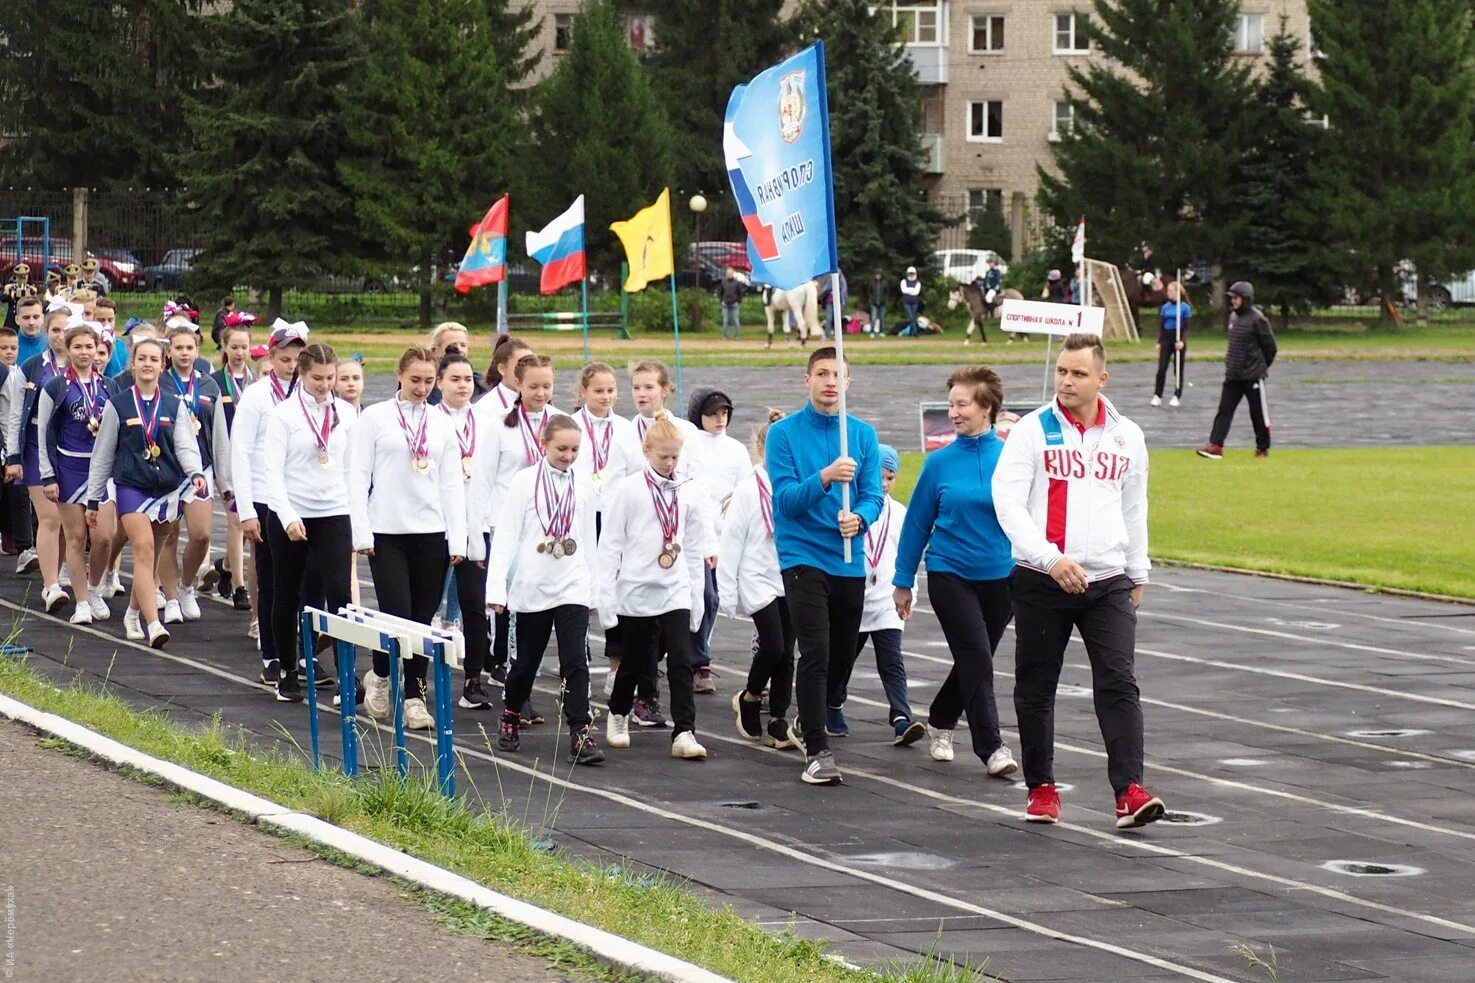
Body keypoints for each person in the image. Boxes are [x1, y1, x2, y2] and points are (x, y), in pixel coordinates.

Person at [992, 332, 1165, 828]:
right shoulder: (1030, 430)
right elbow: (1007, 502)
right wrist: (1049, 559)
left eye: (1078, 373)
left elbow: (1135, 506)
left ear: (1101, 379)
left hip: (1107, 580)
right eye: (1062, 371)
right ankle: (1042, 788)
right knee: (1036, 686)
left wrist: (1138, 570)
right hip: (1041, 579)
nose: (1066, 381)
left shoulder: (1127, 435)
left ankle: (1129, 791)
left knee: (1119, 681)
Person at [766, 346, 884, 785]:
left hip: (848, 558)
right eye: (821, 373)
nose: (830, 381)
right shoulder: (784, 435)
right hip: (802, 556)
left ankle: (809, 716)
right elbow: (785, 501)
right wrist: (825, 478)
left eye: (838, 375)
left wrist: (862, 518)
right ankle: (817, 749)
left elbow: (874, 495)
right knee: (814, 649)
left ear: (849, 383)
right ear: (807, 379)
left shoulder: (863, 435)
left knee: (841, 654)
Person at [894, 366, 1019, 776]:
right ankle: (993, 748)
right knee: (977, 657)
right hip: (950, 573)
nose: (953, 412)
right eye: (950, 404)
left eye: (961, 404)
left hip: (1003, 577)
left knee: (974, 660)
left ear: (987, 408)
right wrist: (903, 581)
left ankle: (943, 718)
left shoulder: (1014, 459)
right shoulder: (939, 464)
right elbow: (916, 525)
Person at [347, 347, 467, 730]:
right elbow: (357, 476)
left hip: (432, 532)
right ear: (400, 374)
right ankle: (381, 676)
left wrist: (458, 538)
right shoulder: (375, 418)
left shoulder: (442, 423)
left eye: (429, 381)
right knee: (397, 613)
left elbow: (451, 483)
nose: (421, 388)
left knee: (421, 620)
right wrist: (361, 529)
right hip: (387, 532)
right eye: (415, 380)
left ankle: (415, 696)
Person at [487, 414, 604, 764]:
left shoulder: (583, 484)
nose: (568, 456)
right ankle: (510, 713)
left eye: (575, 450)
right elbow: (506, 536)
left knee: (575, 660)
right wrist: (496, 589)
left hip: (572, 584)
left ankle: (580, 730)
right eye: (562, 448)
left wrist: (593, 588)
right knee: (526, 662)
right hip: (533, 584)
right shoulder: (523, 482)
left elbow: (587, 538)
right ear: (544, 443)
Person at [597, 414, 708, 761]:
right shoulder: (629, 490)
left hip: (674, 587)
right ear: (646, 451)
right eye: (664, 456)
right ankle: (618, 713)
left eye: (675, 456)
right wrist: (605, 594)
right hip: (636, 589)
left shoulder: (687, 490)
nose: (670, 463)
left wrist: (697, 594)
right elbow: (611, 543)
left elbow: (692, 545)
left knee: (680, 658)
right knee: (634, 660)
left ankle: (684, 731)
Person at [85, 337, 207, 648]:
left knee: (151, 560)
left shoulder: (174, 405)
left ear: (162, 363)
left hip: (166, 489)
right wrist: (94, 498)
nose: (148, 364)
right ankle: (154, 624)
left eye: (154, 358)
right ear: (133, 363)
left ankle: (132, 613)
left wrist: (194, 473)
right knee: (142, 549)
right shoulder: (118, 404)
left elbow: (184, 445)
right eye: (142, 358)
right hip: (131, 487)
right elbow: (102, 453)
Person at [262, 342, 358, 703]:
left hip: (333, 510)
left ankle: (346, 673)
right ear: (302, 375)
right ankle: (287, 670)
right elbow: (272, 472)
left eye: (330, 378)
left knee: (340, 595)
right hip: (292, 511)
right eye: (317, 378)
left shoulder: (346, 414)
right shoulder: (284, 415)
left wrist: (353, 511)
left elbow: (352, 467)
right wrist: (287, 516)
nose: (324, 385)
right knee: (288, 591)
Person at [471, 352, 563, 716]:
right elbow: (482, 481)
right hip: (507, 525)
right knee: (512, 609)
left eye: (547, 386)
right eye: (534, 386)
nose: (541, 393)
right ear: (518, 385)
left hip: (548, 528)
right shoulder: (498, 425)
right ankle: (515, 687)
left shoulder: (560, 423)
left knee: (543, 607)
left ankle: (525, 682)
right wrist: (477, 532)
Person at [227, 320, 308, 682]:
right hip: (263, 498)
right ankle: (272, 655)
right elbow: (240, 453)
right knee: (272, 580)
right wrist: (246, 510)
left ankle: (301, 654)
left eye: (298, 359)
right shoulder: (258, 396)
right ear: (272, 357)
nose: (292, 366)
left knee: (303, 582)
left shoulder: (310, 394)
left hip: (300, 499)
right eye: (286, 359)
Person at [825, 443, 922, 745]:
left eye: (890, 478)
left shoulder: (900, 513)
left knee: (891, 660)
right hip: (853, 599)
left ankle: (901, 718)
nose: (883, 483)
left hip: (885, 599)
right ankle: (832, 704)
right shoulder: (850, 507)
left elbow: (908, 555)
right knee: (843, 660)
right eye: (878, 475)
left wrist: (910, 592)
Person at [721, 409, 798, 749]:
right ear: (761, 449)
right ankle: (751, 697)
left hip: (792, 575)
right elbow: (732, 540)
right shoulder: (748, 490)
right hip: (757, 578)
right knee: (773, 645)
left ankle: (779, 719)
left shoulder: (797, 484)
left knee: (788, 652)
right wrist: (726, 590)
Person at [570, 362, 643, 701]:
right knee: (581, 592)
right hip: (579, 519)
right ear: (583, 391)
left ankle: (617, 669)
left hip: (615, 521)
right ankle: (577, 663)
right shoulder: (572, 426)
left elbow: (636, 473)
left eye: (611, 390)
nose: (606, 397)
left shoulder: (626, 429)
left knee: (615, 593)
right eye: (598, 390)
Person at [37, 323, 117, 623]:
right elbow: (44, 431)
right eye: (78, 347)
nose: (85, 353)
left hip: (102, 470)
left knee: (104, 536)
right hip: (70, 467)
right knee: (75, 536)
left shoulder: (109, 386)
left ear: (98, 349)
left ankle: (94, 588)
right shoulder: (56, 386)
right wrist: (48, 475)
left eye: (90, 347)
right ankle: (82, 601)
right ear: (68, 350)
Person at [434, 352, 495, 711]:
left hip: (474, 523)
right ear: (439, 382)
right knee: (426, 603)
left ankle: (473, 679)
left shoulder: (487, 420)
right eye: (454, 379)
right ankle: (411, 682)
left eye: (467, 380)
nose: (461, 386)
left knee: (474, 603)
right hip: (434, 524)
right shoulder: (430, 420)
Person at [685, 387, 749, 694]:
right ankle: (698, 661)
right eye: (712, 414)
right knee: (702, 596)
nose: (719, 419)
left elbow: (747, 486)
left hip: (723, 536)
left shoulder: (736, 450)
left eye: (724, 413)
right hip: (692, 534)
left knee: (712, 599)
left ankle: (695, 658)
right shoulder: (688, 442)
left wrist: (737, 496)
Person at [157, 326, 221, 623]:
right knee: (168, 535)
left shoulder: (208, 386)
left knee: (202, 534)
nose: (184, 353)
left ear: (197, 351)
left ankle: (185, 586)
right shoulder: (160, 382)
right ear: (168, 352)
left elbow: (218, 433)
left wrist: (225, 477)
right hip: (168, 467)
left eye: (189, 347)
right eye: (178, 347)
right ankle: (170, 598)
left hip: (200, 467)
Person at [14, 307, 70, 609]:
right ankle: (50, 586)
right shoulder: (33, 367)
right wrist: (13, 455)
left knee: (67, 520)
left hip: (70, 449)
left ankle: (58, 571)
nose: (60, 336)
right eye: (55, 330)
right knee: (49, 516)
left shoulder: (82, 367)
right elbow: (15, 415)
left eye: (66, 330)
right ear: (47, 333)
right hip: (37, 447)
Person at [1197, 281, 1277, 460]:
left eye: (1236, 298)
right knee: (1224, 411)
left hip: (1253, 377)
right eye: (1231, 298)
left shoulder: (1258, 319)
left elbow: (1270, 348)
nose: (1233, 301)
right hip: (1233, 376)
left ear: (1246, 299)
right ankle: (1216, 446)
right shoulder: (1233, 317)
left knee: (1258, 414)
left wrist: (1259, 367)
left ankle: (1262, 448)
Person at [209, 321, 256, 608]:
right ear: (224, 347)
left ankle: (226, 566)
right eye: (234, 347)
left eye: (244, 347)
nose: (239, 352)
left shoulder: (258, 382)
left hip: (252, 461)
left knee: (250, 527)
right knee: (236, 521)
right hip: (226, 459)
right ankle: (240, 587)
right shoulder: (214, 382)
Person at [0, 326, 32, 565]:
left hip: (8, 444)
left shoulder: (16, 374)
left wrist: (12, 450)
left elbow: (12, 415)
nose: (9, 352)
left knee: (19, 493)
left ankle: (23, 547)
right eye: (3, 348)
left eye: (13, 348)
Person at [1152, 282, 1191, 408]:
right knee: (1161, 368)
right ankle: (1157, 395)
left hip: (1178, 338)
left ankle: (1176, 395)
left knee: (1178, 369)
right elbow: (1161, 326)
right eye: (1168, 290)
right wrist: (1159, 342)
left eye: (1170, 290)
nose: (1168, 292)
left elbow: (1187, 327)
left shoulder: (1185, 308)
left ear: (1177, 291)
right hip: (1166, 338)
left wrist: (1182, 341)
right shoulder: (1165, 307)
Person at [482, 334, 533, 411]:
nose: (528, 372)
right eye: (521, 365)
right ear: (502, 369)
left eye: (532, 365)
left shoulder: (540, 401)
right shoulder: (486, 407)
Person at [720, 268, 744, 341]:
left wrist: (738, 301)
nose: (729, 274)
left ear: (733, 274)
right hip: (725, 304)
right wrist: (721, 300)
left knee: (736, 321)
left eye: (731, 273)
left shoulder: (737, 282)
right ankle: (725, 336)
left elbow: (740, 293)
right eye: (728, 273)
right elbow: (720, 292)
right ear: (726, 274)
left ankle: (737, 336)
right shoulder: (723, 282)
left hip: (734, 304)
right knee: (725, 321)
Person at [867, 270, 888, 336]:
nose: (878, 276)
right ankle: (872, 331)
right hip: (874, 303)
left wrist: (884, 300)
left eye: (879, 275)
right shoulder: (872, 283)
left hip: (882, 304)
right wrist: (872, 299)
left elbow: (887, 292)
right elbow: (869, 291)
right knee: (873, 318)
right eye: (876, 274)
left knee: (882, 318)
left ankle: (881, 331)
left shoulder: (884, 283)